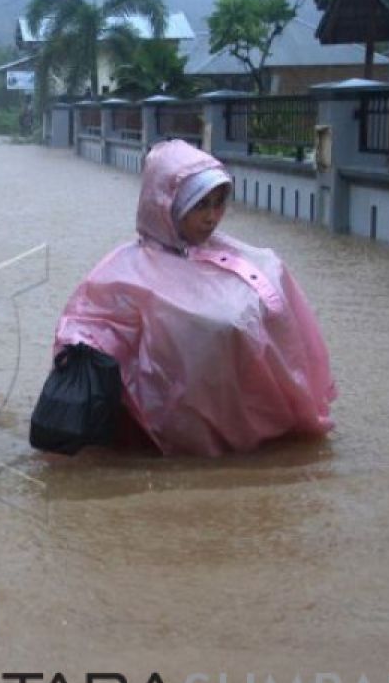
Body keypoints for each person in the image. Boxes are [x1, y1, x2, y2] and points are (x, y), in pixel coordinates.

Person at [51, 139, 336, 456]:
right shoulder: (124, 271)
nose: (212, 217)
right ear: (168, 204)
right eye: (200, 205)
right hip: (175, 419)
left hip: (243, 408)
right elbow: (91, 323)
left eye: (219, 203)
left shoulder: (259, 261)